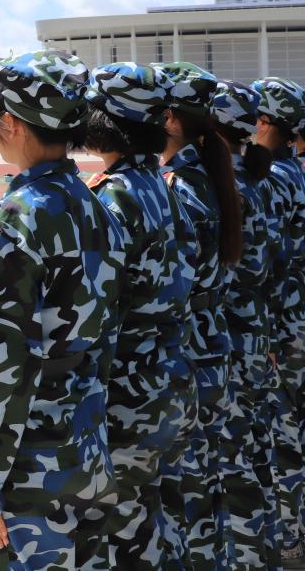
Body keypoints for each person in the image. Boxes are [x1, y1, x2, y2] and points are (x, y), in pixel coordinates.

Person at [0, 51, 125, 569]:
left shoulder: (15, 220)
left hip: (23, 461)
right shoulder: (95, 206)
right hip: (83, 441)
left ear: (12, 123)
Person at [80, 63, 194, 567]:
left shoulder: (112, 196)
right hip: (167, 379)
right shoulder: (161, 184)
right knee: (156, 527)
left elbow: (91, 312)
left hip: (125, 395)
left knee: (121, 540)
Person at [154, 61, 243, 570]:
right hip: (210, 345)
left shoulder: (178, 185)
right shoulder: (208, 175)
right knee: (205, 483)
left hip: (186, 351)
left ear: (169, 118)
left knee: (184, 496)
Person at [209, 80, 279, 567]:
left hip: (228, 339)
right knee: (254, 450)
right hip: (254, 331)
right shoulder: (260, 178)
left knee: (231, 464)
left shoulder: (220, 184)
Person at [253, 77, 305, 566]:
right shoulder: (299, 173)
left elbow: (265, 263)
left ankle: (289, 538)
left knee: (282, 436)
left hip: (284, 330)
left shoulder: (271, 180)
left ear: (266, 122)